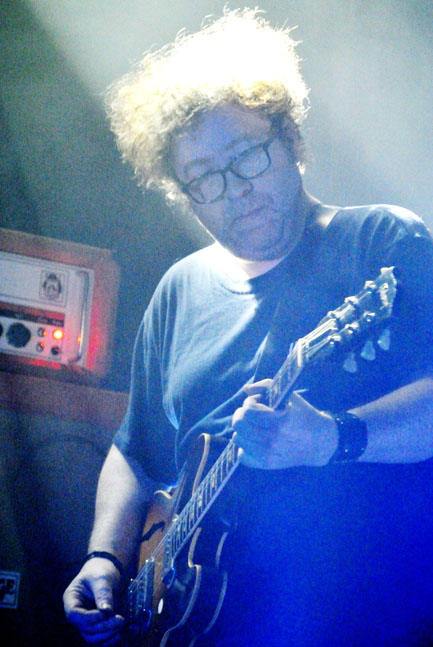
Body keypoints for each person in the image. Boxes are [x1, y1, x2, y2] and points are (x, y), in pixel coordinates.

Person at [63, 9, 433, 646]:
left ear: (291, 141)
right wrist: (106, 558)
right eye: (204, 179)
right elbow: (134, 452)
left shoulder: (380, 240)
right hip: (195, 625)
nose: (233, 190)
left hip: (357, 617)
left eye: (247, 158)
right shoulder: (179, 289)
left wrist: (332, 437)